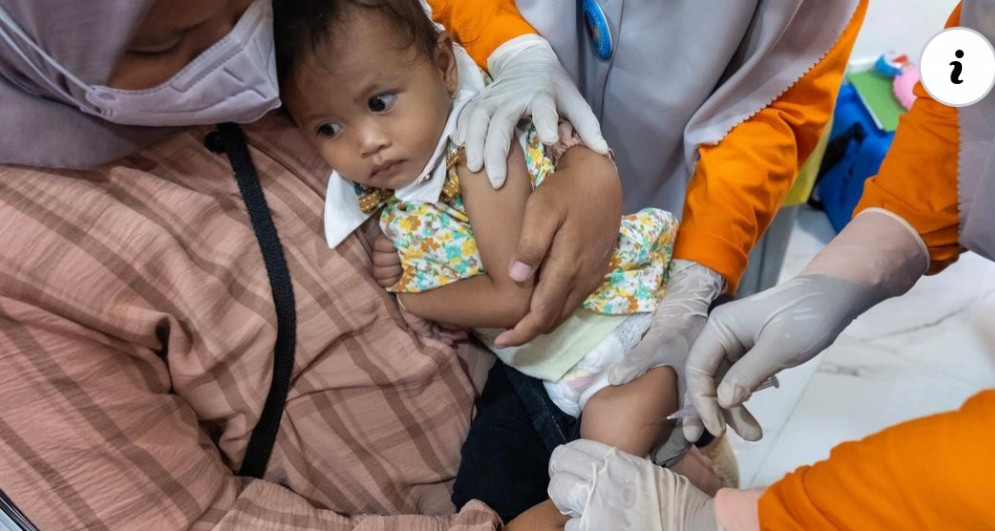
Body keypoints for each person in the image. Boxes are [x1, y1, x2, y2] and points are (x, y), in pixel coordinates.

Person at [0, 0, 654, 528]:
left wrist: (580, 161)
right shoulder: (25, 270)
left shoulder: (340, 49)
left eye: (244, 6)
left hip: (540, 384)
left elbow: (433, 42)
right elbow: (195, 517)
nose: (234, 52)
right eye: (161, 45)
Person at [548, 2, 995, 529]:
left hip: (683, 208)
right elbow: (977, 85)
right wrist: (874, 249)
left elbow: (777, 99)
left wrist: (749, 518)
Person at [273, 1, 681, 526]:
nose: (367, 142)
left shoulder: (477, 146)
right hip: (537, 368)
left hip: (613, 333)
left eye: (379, 101)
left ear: (444, 66)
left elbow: (514, 296)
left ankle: (586, 507)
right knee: (482, 486)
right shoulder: (399, 189)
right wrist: (413, 261)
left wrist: (412, 293)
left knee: (611, 438)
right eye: (328, 128)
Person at [434, 0, 869, 459]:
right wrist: (508, 44)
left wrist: (703, 263)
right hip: (499, 111)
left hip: (672, 217)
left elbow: (780, 94)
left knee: (654, 442)